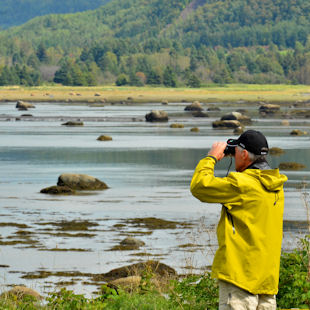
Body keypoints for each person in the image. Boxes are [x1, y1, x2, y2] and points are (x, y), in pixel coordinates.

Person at [190, 130, 287, 310]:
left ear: (243, 154)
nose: (234, 158)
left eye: (235, 153)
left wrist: (211, 158)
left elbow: (199, 186)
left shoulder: (242, 184)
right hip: (266, 281)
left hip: (240, 278)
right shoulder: (276, 186)